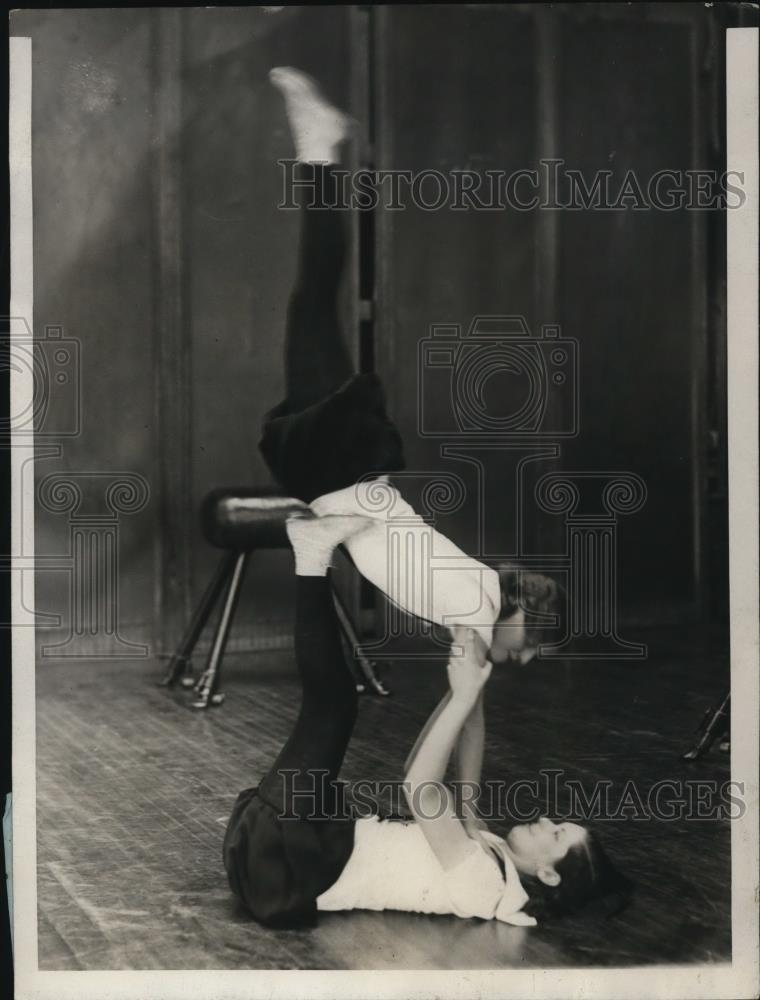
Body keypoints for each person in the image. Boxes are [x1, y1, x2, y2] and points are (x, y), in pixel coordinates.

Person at [260, 66, 561, 664]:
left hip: (342, 479)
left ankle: (317, 149)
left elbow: (467, 719)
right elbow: (461, 716)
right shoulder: (478, 609)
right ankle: (318, 147)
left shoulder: (475, 602)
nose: (523, 662)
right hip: (339, 473)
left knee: (313, 297)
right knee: (314, 296)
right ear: (523, 616)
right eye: (532, 649)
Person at [222, 514, 632, 928]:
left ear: (548, 873)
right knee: (336, 704)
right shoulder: (492, 858)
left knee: (333, 707)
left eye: (557, 833)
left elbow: (417, 785)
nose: (547, 820)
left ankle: (312, 555)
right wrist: (460, 696)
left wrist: (465, 697)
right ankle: (314, 555)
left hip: (288, 862)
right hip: (295, 852)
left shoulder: (486, 883)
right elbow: (415, 768)